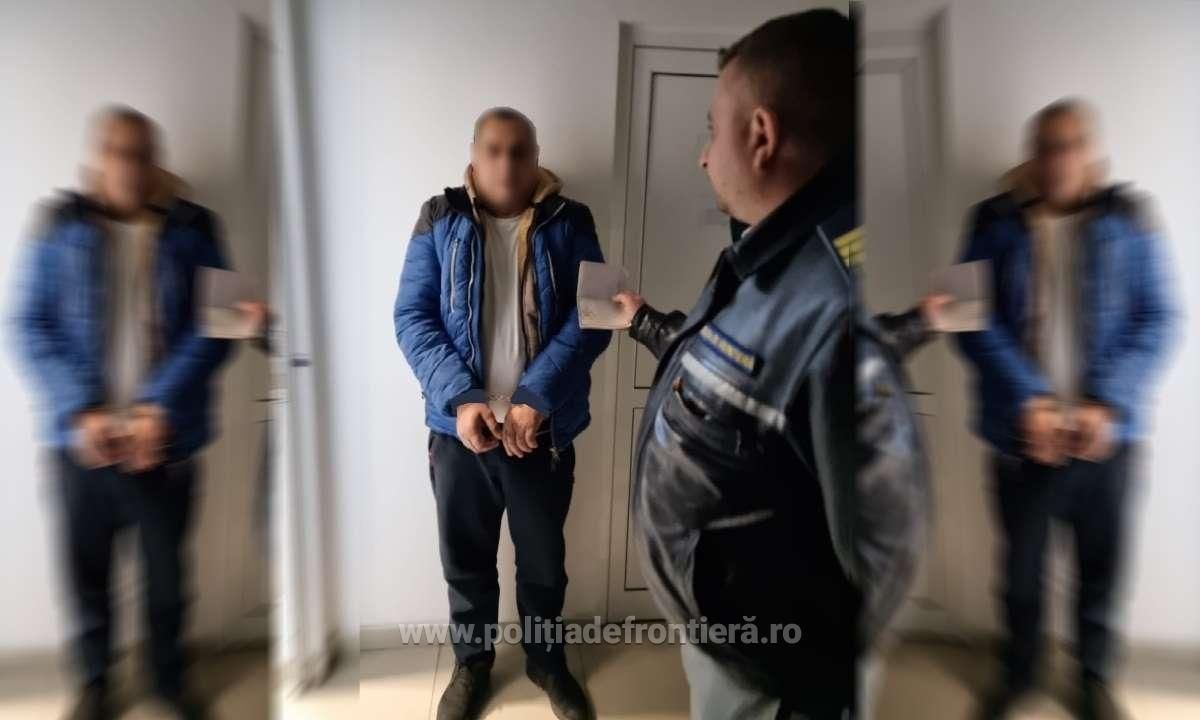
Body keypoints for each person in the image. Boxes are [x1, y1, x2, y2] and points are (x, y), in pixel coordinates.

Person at [611, 10, 926, 718]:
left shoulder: (832, 304)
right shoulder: (762, 259)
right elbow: (730, 377)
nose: (703, 157)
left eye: (711, 130)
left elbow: (877, 559)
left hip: (775, 685)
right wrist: (643, 320)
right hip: (731, 644)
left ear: (760, 135)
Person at [956, 99, 1178, 720]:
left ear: (1091, 154)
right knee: (1021, 577)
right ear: (1031, 156)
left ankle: (1093, 680)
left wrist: (1108, 402)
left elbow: (1162, 317)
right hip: (1020, 438)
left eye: (1070, 145)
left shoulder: (1134, 219)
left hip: (1107, 441)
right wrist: (1028, 400)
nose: (1058, 159)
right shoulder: (988, 221)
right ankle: (1018, 673)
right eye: (1046, 147)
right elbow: (963, 317)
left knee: (1100, 574)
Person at [11, 106, 233, 720]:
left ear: (156, 162)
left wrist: (160, 407)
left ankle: (168, 680)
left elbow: (219, 325)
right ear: (96, 161)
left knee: (166, 581)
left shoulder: (196, 228)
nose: (130, 166)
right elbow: (27, 324)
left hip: (166, 443)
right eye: (117, 152)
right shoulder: (55, 227)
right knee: (87, 579)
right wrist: (80, 410)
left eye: (142, 154)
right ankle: (95, 683)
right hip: (81, 446)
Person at [394, 107, 610, 720]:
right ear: (473, 154)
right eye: (493, 149)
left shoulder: (571, 220)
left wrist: (535, 398)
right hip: (459, 432)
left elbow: (595, 315)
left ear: (536, 157)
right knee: (465, 560)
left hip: (542, 431)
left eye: (519, 151)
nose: (506, 163)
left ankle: (546, 661)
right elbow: (412, 317)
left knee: (542, 562)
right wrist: (462, 399)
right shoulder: (437, 217)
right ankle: (472, 663)